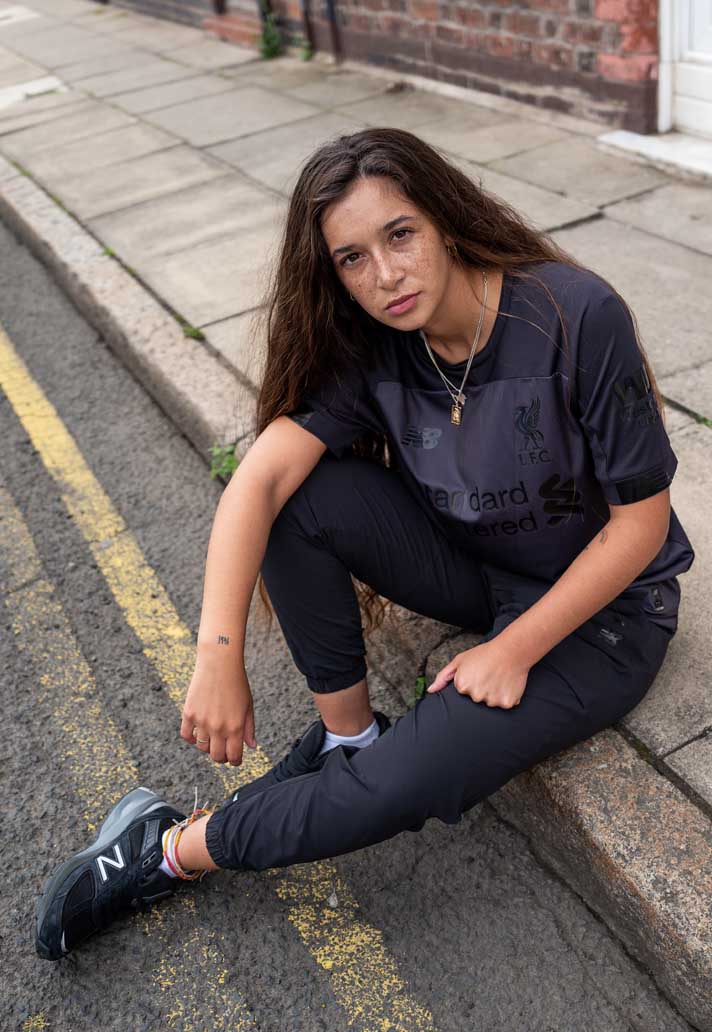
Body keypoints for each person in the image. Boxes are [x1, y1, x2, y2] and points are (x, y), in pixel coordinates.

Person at [36, 127, 695, 961]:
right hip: (480, 568)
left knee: (406, 784)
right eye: (352, 258)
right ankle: (350, 738)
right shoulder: (375, 342)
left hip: (606, 618)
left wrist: (515, 649)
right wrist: (215, 653)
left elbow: (639, 527)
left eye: (400, 235)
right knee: (298, 496)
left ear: (445, 218)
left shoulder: (575, 315)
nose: (385, 276)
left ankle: (166, 849)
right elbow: (257, 483)